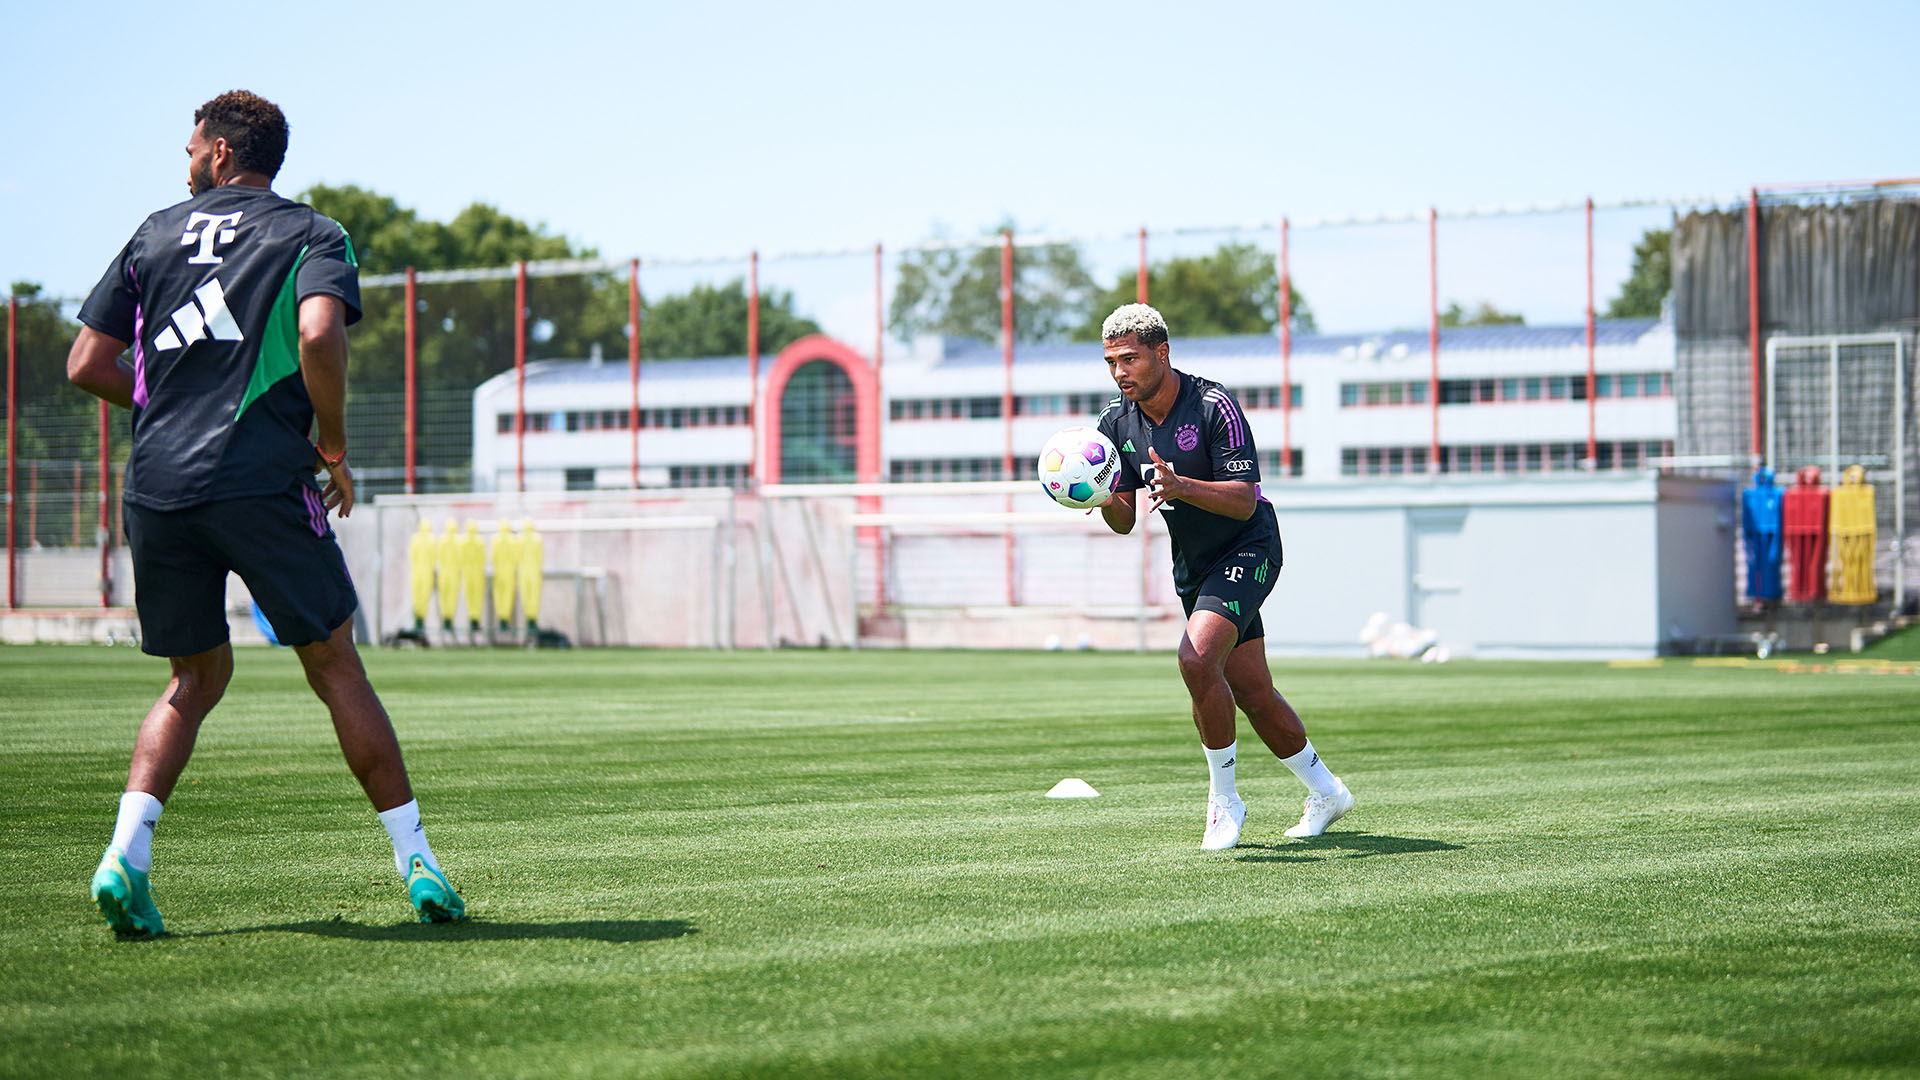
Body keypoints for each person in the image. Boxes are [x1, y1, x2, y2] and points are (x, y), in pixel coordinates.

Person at [66, 90, 464, 934]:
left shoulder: (152, 231)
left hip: (158, 488)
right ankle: (419, 864)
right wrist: (333, 446)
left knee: (193, 678)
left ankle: (123, 857)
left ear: (218, 155)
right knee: (335, 665)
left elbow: (86, 362)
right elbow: (320, 336)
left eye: (190, 147)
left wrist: (163, 408)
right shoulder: (312, 233)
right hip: (261, 481)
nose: (185, 159)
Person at [1092, 303, 1353, 849]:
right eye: (1112, 361)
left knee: (1195, 658)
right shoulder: (1115, 422)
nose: (1121, 372)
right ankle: (1327, 792)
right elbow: (1122, 518)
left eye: (1130, 359)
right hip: (1194, 567)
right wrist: (1090, 490)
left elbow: (1242, 501)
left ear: (1161, 353)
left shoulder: (1214, 405)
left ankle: (1224, 801)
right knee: (1253, 692)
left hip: (1250, 545)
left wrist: (1182, 486)